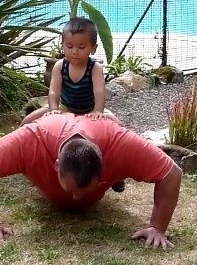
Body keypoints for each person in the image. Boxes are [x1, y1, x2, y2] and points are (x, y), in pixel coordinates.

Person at [0, 113, 183, 249]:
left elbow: (171, 174)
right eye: (71, 190)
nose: (77, 198)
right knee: (28, 121)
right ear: (56, 165)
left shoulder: (119, 142)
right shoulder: (31, 139)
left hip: (102, 131)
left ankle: (117, 177)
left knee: (115, 122)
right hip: (52, 125)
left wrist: (157, 227)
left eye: (85, 190)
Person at [21, 16, 126, 192]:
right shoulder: (59, 66)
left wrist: (98, 111)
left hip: (90, 110)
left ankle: (118, 176)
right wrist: (53, 110)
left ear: (93, 48)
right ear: (63, 46)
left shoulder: (95, 68)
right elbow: (53, 91)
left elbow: (99, 92)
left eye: (81, 47)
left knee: (121, 127)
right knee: (27, 122)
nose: (75, 52)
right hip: (65, 107)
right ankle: (28, 168)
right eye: (69, 47)